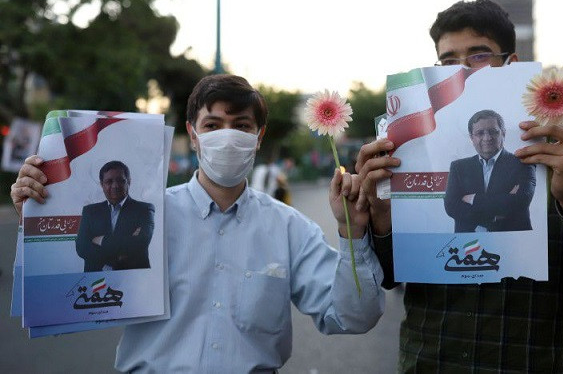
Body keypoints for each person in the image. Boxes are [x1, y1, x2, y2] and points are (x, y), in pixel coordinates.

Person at [10, 74, 384, 373]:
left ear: (258, 137)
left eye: (241, 125)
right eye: (212, 124)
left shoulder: (290, 229)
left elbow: (354, 316)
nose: (227, 135)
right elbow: (65, 292)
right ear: (192, 135)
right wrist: (38, 216)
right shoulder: (147, 215)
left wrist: (353, 234)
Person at [354, 0, 563, 372]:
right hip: (429, 361)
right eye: (448, 61)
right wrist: (381, 218)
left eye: (479, 56)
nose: (463, 72)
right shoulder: (408, 147)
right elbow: (389, 278)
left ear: (510, 65)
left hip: (522, 362)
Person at [444, 109, 536, 232]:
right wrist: (495, 214)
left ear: (503, 133)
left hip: (512, 241)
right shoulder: (458, 167)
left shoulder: (523, 164)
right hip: (467, 243)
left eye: (493, 131)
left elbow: (520, 202)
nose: (487, 138)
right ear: (472, 138)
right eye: (480, 133)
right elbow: (452, 207)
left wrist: (473, 199)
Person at [75, 161, 155, 272]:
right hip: (95, 281)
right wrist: (119, 253)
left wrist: (101, 240)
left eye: (120, 180)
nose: (115, 186)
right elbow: (82, 248)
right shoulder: (90, 212)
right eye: (109, 181)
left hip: (134, 280)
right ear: (102, 185)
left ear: (129, 182)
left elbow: (139, 243)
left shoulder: (144, 210)